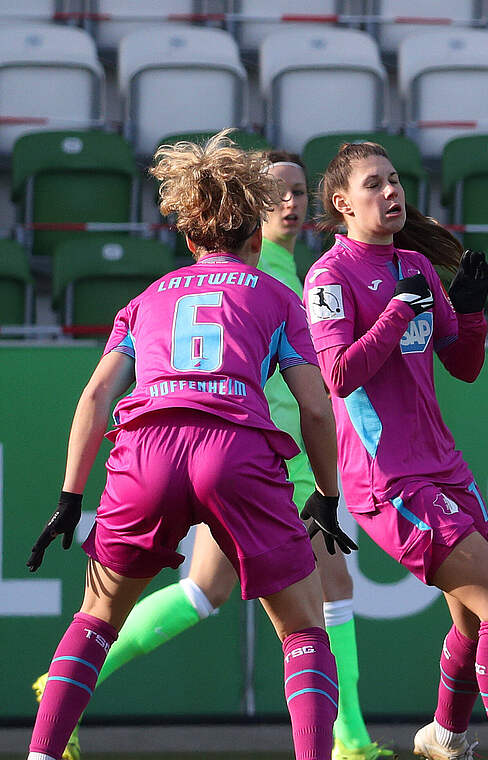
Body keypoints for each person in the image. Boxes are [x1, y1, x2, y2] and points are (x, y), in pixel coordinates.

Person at [30, 151, 394, 760]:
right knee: (306, 627)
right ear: (254, 232)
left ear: (192, 235)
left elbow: (96, 395)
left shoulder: (147, 299)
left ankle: (40, 753)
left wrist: (71, 496)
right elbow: (315, 407)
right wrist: (328, 494)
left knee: (96, 617)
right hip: (237, 450)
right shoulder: (276, 294)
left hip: (146, 451)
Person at [305, 141, 488, 760]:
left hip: (444, 468)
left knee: (475, 618)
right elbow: (340, 375)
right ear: (342, 203)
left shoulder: (418, 267)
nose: (391, 192)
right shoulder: (329, 276)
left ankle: (445, 738)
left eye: (395, 180)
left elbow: (463, 366)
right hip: (388, 481)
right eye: (373, 184)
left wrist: (472, 310)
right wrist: (400, 310)